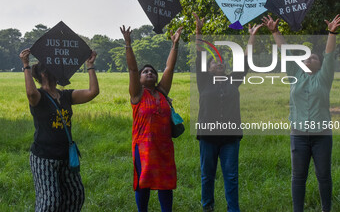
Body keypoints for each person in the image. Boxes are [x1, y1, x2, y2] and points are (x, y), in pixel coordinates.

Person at [262, 14, 340, 212]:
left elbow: (329, 54)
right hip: (298, 135)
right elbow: (285, 52)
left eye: (313, 57)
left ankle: (326, 209)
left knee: (323, 176)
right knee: (298, 177)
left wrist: (332, 32)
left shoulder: (324, 77)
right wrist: (274, 31)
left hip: (322, 135)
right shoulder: (295, 75)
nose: (308, 58)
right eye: (306, 57)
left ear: (320, 65)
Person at [193, 12, 263, 212]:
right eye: (215, 62)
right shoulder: (203, 80)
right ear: (208, 67)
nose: (220, 63)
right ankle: (208, 207)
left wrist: (252, 36)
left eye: (222, 62)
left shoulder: (234, 79)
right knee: (207, 175)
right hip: (208, 136)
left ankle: (233, 209)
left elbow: (246, 60)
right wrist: (198, 30)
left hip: (230, 137)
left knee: (231, 176)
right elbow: (199, 53)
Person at [19, 48, 99, 212]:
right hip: (44, 158)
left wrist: (90, 66)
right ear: (44, 73)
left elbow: (93, 92)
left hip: (66, 157)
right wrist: (26, 65)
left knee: (75, 196)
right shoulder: (39, 97)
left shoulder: (66, 96)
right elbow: (30, 93)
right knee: (50, 202)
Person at [120, 25, 183, 212]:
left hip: (164, 146)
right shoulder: (137, 95)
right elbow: (132, 69)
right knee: (143, 182)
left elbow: (169, 67)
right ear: (139, 79)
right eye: (145, 72)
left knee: (166, 183)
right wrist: (128, 44)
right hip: (143, 147)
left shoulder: (162, 92)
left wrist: (175, 45)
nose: (149, 73)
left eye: (152, 72)